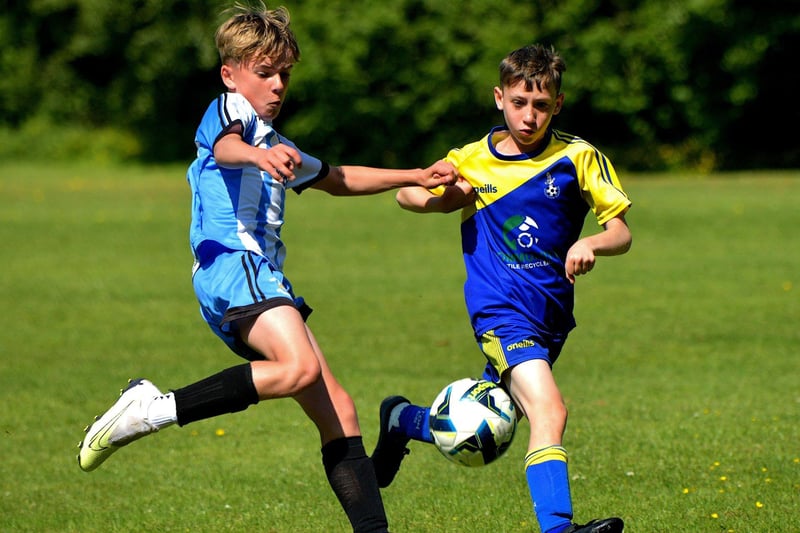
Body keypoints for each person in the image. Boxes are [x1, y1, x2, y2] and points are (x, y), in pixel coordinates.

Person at [76, 4, 455, 533]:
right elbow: (228, 146)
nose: (278, 85)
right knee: (300, 370)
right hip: (235, 266)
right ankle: (150, 410)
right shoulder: (230, 112)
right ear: (231, 74)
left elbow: (337, 177)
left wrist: (417, 173)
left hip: (259, 279)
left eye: (284, 74)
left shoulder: (276, 142)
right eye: (265, 72)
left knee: (340, 413)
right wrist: (256, 157)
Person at [370, 44, 632, 533]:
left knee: (487, 419)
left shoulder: (578, 156)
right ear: (499, 97)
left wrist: (593, 242)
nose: (529, 116)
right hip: (499, 310)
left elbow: (621, 231)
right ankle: (559, 529)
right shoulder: (471, 159)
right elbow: (408, 194)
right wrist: (444, 196)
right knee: (548, 409)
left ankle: (401, 420)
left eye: (541, 105)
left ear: (558, 103)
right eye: (518, 103)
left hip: (550, 316)